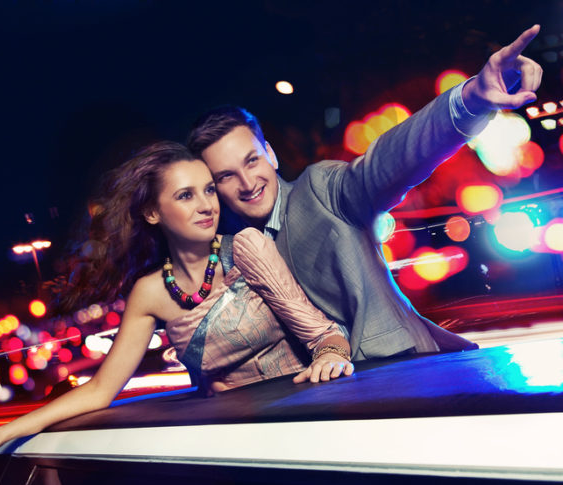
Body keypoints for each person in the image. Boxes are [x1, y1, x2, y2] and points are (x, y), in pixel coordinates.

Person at [0, 141, 353, 479]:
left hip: (301, 432)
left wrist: (332, 352)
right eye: (185, 195)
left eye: (209, 190)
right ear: (152, 212)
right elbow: (100, 390)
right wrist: (1, 434)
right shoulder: (150, 292)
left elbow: (324, 334)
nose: (206, 205)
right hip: (233, 454)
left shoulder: (248, 248)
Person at [187, 25, 543, 361]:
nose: (247, 183)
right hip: (315, 401)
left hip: (393, 372)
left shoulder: (319, 190)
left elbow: (393, 158)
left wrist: (472, 100)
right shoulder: (229, 250)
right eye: (226, 176)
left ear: (271, 154)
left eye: (252, 161)